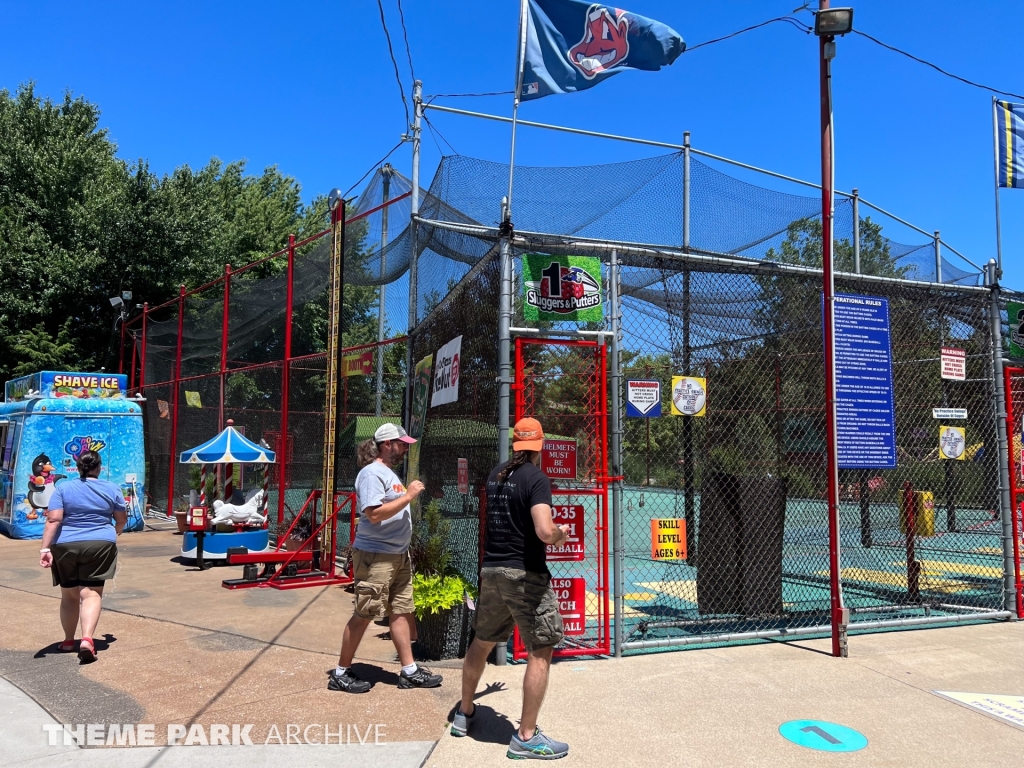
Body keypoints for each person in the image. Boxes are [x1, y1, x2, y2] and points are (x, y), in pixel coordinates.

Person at [453, 417, 571, 760]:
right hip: (525, 574)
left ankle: (464, 712)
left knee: (483, 640)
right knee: (541, 646)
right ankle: (526, 736)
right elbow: (544, 531)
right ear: (541, 445)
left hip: (492, 570)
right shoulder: (536, 478)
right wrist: (560, 532)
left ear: (516, 443)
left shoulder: (497, 474)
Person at [328, 422, 443, 693]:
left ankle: (409, 671)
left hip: (397, 555)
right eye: (401, 443)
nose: (405, 448)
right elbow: (374, 514)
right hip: (376, 556)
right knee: (365, 613)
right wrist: (410, 496)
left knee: (401, 610)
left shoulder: (388, 473)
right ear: (387, 444)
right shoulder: (371, 473)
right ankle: (341, 673)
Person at [39, 450, 127, 663]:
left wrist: (45, 549)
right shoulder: (112, 488)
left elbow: (53, 520)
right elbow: (121, 518)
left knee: (69, 595)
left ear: (78, 468)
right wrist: (115, 531)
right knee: (91, 593)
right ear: (98, 468)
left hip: (65, 545)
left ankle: (69, 641)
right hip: (100, 545)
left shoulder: (63, 488)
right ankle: (87, 639)